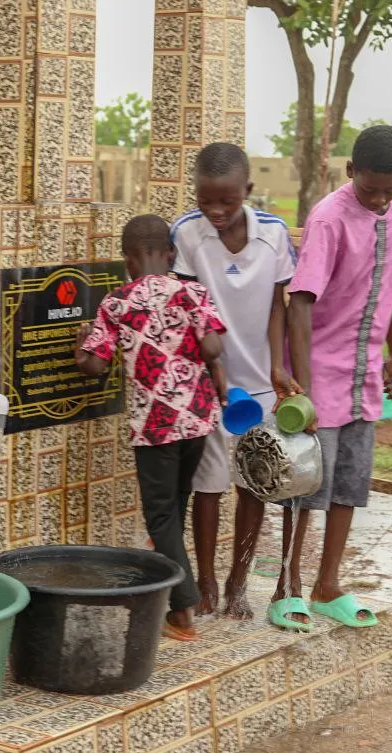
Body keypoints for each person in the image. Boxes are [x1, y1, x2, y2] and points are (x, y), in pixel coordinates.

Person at [170, 143, 307, 630]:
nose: (216, 211)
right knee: (207, 488)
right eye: (207, 200)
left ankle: (237, 582)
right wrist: (211, 378)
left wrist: (276, 365)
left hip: (260, 384)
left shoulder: (272, 235)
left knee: (254, 486)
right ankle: (206, 583)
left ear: (247, 191)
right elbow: (186, 310)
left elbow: (278, 306)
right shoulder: (187, 233)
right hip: (207, 386)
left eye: (226, 201)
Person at [285, 124, 392, 629]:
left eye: (390, 188)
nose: (380, 200)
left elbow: (388, 287)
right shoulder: (328, 218)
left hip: (366, 372)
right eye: (370, 190)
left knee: (350, 484)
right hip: (323, 371)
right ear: (349, 171)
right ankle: (289, 584)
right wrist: (305, 389)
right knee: (307, 485)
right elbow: (299, 303)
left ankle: (328, 583)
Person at [76, 214, 226, 641]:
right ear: (172, 253)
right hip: (197, 420)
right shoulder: (193, 292)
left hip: (155, 427)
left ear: (127, 260)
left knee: (159, 515)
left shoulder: (117, 303)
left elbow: (94, 366)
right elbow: (213, 346)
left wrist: (79, 343)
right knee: (176, 504)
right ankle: (168, 582)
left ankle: (182, 609)